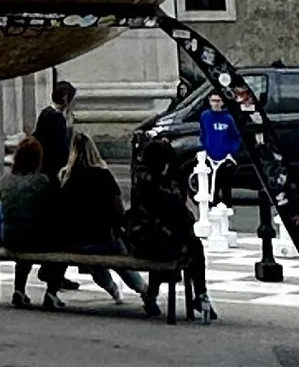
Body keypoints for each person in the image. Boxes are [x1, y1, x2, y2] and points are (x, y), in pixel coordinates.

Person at [127, 134, 214, 323]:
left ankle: (153, 295)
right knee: (192, 246)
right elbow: (183, 215)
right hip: (153, 241)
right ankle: (200, 294)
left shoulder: (141, 178)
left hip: (140, 237)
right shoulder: (161, 186)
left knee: (175, 240)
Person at [56, 129, 127, 308]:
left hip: (72, 240)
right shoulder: (103, 175)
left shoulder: (66, 177)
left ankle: (113, 290)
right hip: (100, 239)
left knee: (97, 262)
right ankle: (143, 291)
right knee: (119, 255)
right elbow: (119, 208)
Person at [0, 135, 60, 308]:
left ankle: (19, 289)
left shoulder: (6, 180)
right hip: (34, 237)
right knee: (58, 241)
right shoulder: (41, 181)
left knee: (23, 237)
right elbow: (52, 209)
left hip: (8, 236)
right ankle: (51, 292)